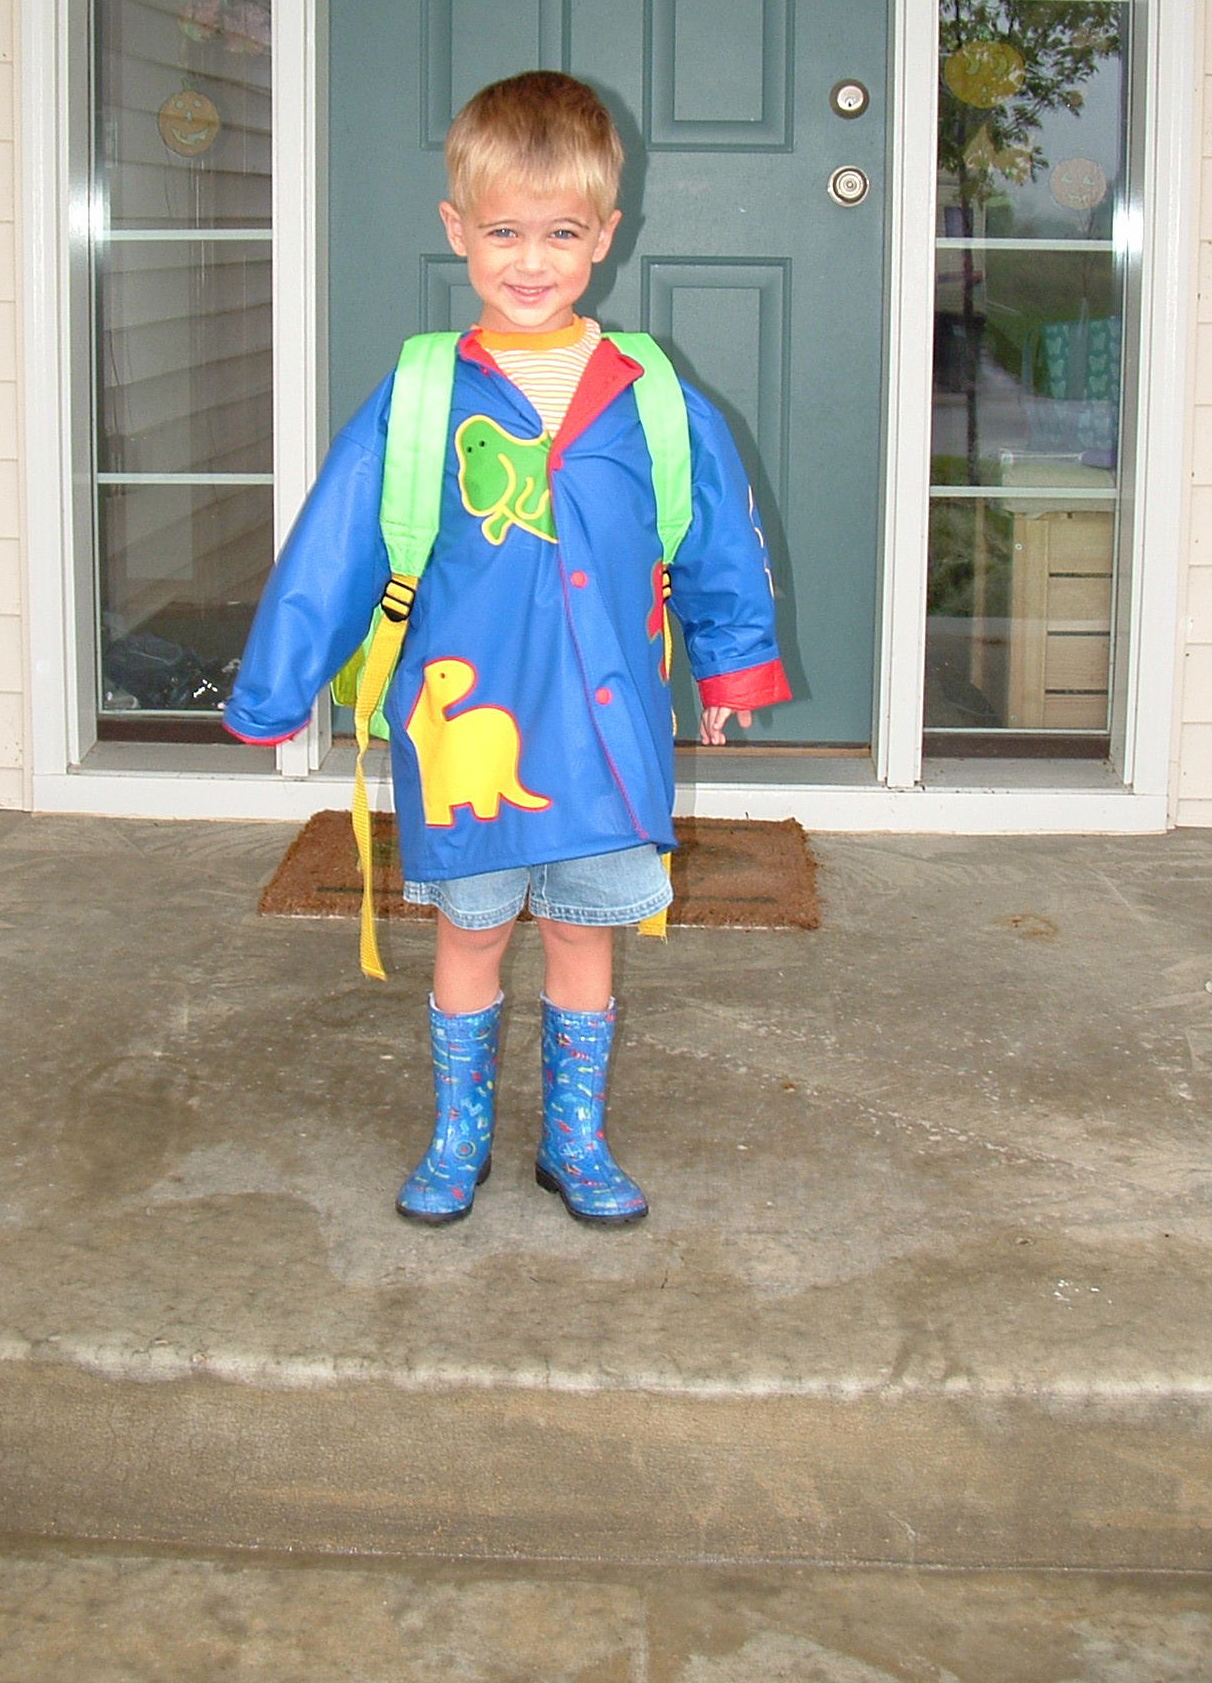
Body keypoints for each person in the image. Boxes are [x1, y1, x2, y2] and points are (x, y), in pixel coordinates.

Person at [224, 71, 790, 1228]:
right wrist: (278, 684)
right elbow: (336, 536)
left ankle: (574, 1139)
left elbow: (720, 536)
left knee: (586, 933)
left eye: (561, 233)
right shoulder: (424, 390)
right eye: (503, 232)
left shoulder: (655, 396)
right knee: (470, 932)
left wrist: (733, 666)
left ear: (605, 236)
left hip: (600, 735)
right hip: (468, 734)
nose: (531, 260)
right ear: (458, 230)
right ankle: (460, 1133)